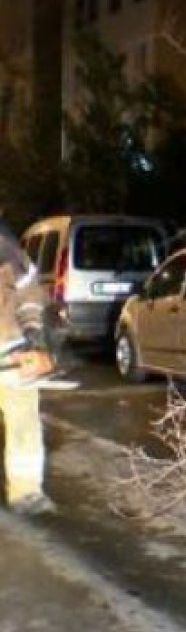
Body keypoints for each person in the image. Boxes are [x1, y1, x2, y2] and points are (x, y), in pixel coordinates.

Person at [0, 221, 56, 515]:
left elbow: (30, 295)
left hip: (11, 352)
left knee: (23, 421)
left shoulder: (8, 249)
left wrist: (33, 336)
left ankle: (26, 493)